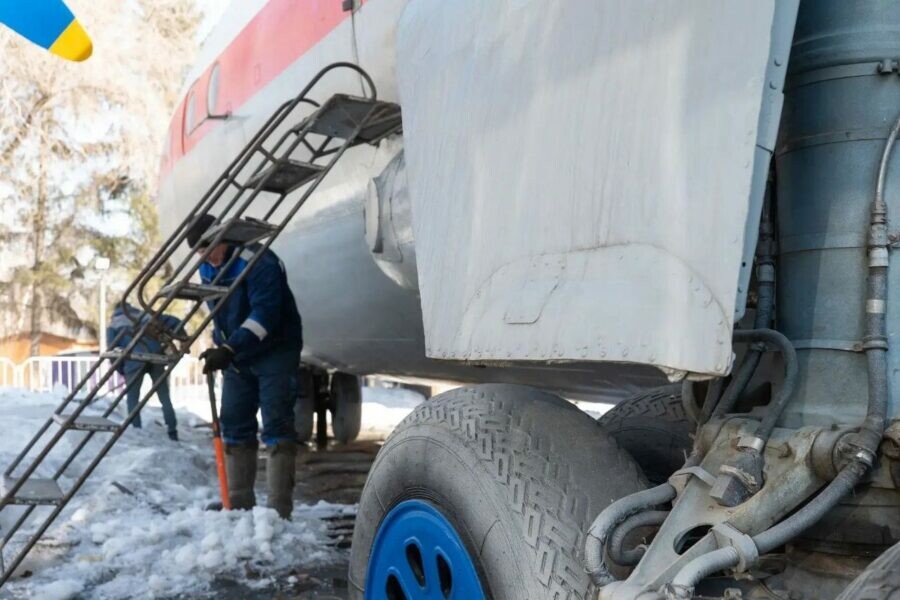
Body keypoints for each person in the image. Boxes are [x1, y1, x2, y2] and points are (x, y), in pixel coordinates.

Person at [186, 214, 303, 520]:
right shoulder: (208, 267)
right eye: (200, 251)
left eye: (210, 247)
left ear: (224, 237)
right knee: (234, 422)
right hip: (238, 354)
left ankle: (278, 511)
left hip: (274, 349)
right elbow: (220, 312)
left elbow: (265, 315)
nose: (206, 256)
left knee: (276, 423)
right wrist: (221, 343)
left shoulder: (258, 261)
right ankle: (238, 504)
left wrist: (229, 348)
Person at [106, 302, 181, 441]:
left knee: (133, 399)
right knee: (164, 397)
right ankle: (172, 431)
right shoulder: (146, 315)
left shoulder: (114, 324)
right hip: (156, 357)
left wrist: (122, 370)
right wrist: (182, 338)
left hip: (133, 361)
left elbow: (112, 350)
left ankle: (136, 431)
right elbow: (175, 321)